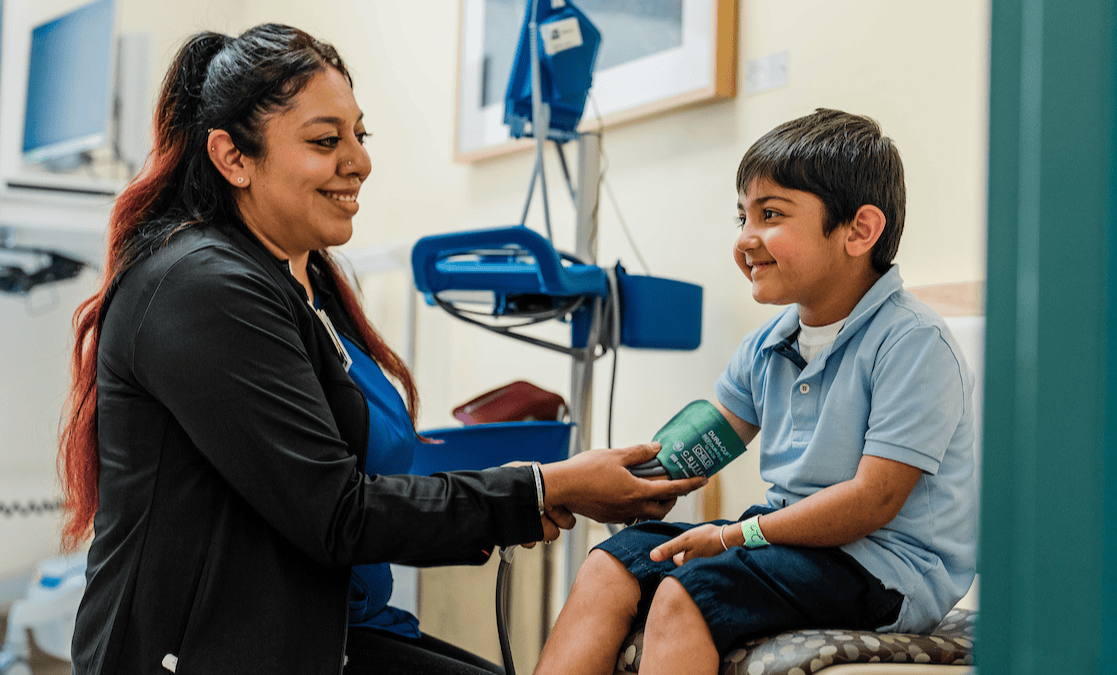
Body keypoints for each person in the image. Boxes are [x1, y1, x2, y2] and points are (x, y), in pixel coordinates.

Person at [57, 24, 705, 675]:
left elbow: (358, 473)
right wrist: (539, 488)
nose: (358, 160)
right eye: (324, 140)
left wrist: (529, 486)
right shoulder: (200, 287)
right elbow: (336, 511)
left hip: (329, 626)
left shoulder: (303, 279)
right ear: (232, 157)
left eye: (359, 135)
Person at [533, 109, 978, 675]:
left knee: (689, 591)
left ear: (859, 231)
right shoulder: (769, 344)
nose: (745, 239)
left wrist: (734, 536)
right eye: (741, 216)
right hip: (793, 543)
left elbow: (872, 502)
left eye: (770, 214)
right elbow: (694, 450)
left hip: (886, 569)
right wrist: (586, 488)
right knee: (610, 565)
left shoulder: (913, 343)